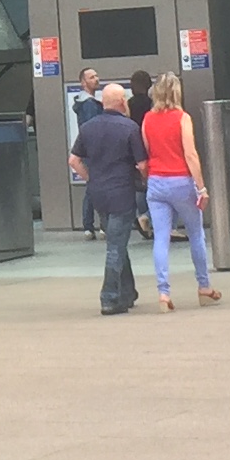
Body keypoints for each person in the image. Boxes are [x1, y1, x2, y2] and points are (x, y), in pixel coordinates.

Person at [141, 72, 222, 312]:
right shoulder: (182, 118)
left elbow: (147, 152)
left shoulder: (147, 119)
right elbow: (190, 154)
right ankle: (204, 287)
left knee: (161, 239)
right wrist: (201, 187)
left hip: (156, 183)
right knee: (196, 235)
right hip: (181, 181)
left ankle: (163, 293)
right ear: (177, 92)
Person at [71, 82, 148, 316]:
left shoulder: (88, 128)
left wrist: (91, 179)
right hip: (122, 193)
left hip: (99, 194)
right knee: (115, 246)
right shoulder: (129, 127)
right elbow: (143, 164)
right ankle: (109, 297)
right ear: (122, 102)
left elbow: (74, 161)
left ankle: (128, 292)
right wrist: (145, 181)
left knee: (117, 241)